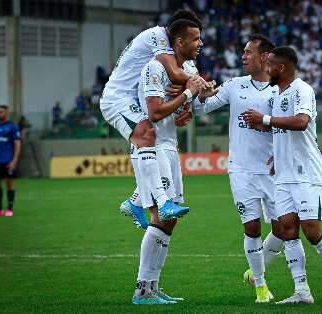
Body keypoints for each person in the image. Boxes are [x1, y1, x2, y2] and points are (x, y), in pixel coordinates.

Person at [243, 46, 322, 304]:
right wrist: (277, 156)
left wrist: (266, 119)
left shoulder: (302, 89)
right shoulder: (277, 93)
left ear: (280, 68)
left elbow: (301, 122)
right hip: (283, 174)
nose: (266, 69)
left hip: (306, 172)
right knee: (287, 229)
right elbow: (283, 132)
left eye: (270, 65)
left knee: (312, 231)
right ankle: (302, 290)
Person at [192, 34, 282, 303]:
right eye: (242, 52)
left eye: (248, 52)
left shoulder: (281, 90)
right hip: (241, 169)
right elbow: (200, 110)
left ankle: (257, 271)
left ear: (264, 56)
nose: (243, 56)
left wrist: (277, 147)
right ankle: (261, 288)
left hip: (272, 171)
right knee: (252, 228)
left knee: (285, 228)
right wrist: (201, 96)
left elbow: (289, 127)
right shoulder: (234, 85)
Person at [100, 9, 209, 224]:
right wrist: (198, 85)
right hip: (118, 99)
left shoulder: (176, 52)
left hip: (134, 100)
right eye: (194, 37)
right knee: (146, 133)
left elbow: (180, 79)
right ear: (177, 34)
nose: (199, 42)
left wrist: (187, 102)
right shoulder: (157, 36)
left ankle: (136, 200)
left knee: (148, 138)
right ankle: (161, 201)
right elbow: (175, 74)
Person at [130, 18, 202, 305]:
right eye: (195, 39)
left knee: (169, 221)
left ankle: (153, 286)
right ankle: (142, 290)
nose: (200, 44)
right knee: (160, 216)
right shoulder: (154, 68)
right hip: (151, 149)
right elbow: (156, 112)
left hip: (170, 147)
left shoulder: (188, 70)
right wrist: (187, 93)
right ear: (179, 42)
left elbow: (182, 111)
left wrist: (187, 109)